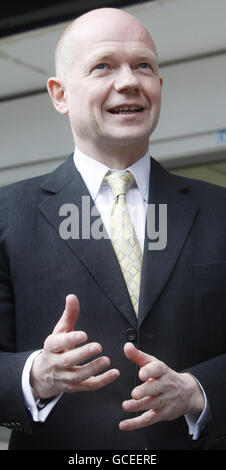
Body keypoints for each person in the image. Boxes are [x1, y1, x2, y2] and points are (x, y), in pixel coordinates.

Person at [0, 7, 225, 451]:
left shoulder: (219, 209)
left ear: (158, 87)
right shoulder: (7, 214)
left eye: (143, 65)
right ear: (60, 94)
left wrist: (198, 391)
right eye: (103, 66)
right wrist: (36, 376)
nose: (129, 81)